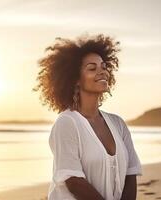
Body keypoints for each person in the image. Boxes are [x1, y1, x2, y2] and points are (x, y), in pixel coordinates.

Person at [33, 33, 142, 200]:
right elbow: (74, 181)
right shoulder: (67, 123)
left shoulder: (118, 123)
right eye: (92, 68)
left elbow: (130, 172)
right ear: (75, 80)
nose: (102, 71)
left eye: (104, 66)